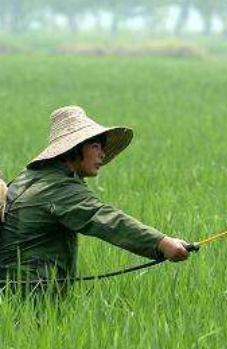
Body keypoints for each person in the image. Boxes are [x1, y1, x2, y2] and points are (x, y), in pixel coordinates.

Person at [0, 106, 191, 293]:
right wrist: (162, 243)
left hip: (9, 288)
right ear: (74, 148)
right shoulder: (59, 188)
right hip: (32, 293)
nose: (103, 154)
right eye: (95, 146)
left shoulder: (27, 178)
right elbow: (104, 218)